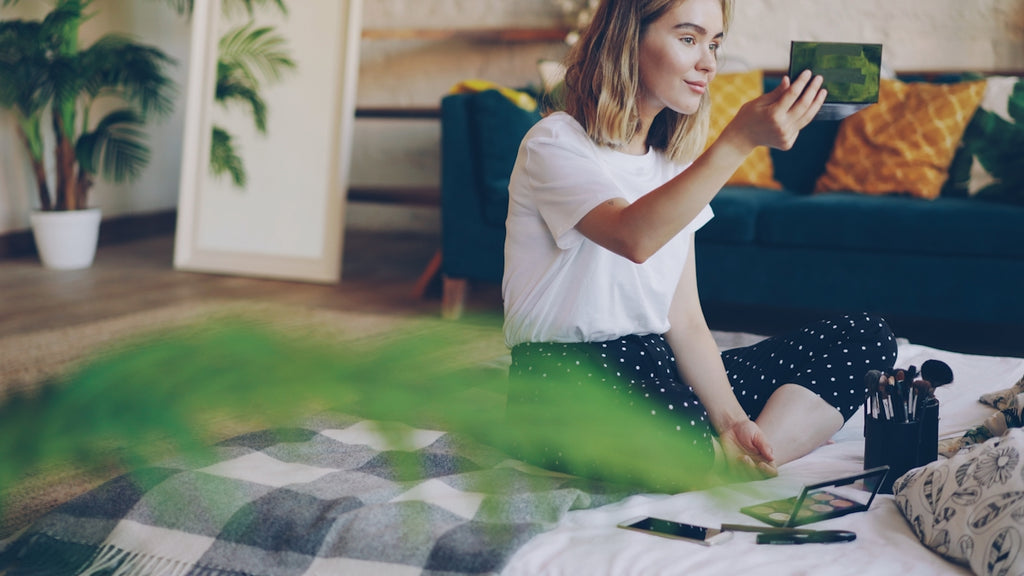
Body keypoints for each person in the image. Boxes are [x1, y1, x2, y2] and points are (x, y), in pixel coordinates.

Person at [501, 0, 898, 489]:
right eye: (689, 39)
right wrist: (738, 140)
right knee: (679, 421)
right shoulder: (555, 141)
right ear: (628, 38)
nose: (709, 62)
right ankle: (706, 454)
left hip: (657, 367)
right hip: (563, 377)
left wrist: (732, 422)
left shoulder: (670, 168)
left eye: (714, 43)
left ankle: (741, 458)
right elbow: (633, 236)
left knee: (866, 335)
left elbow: (685, 322)